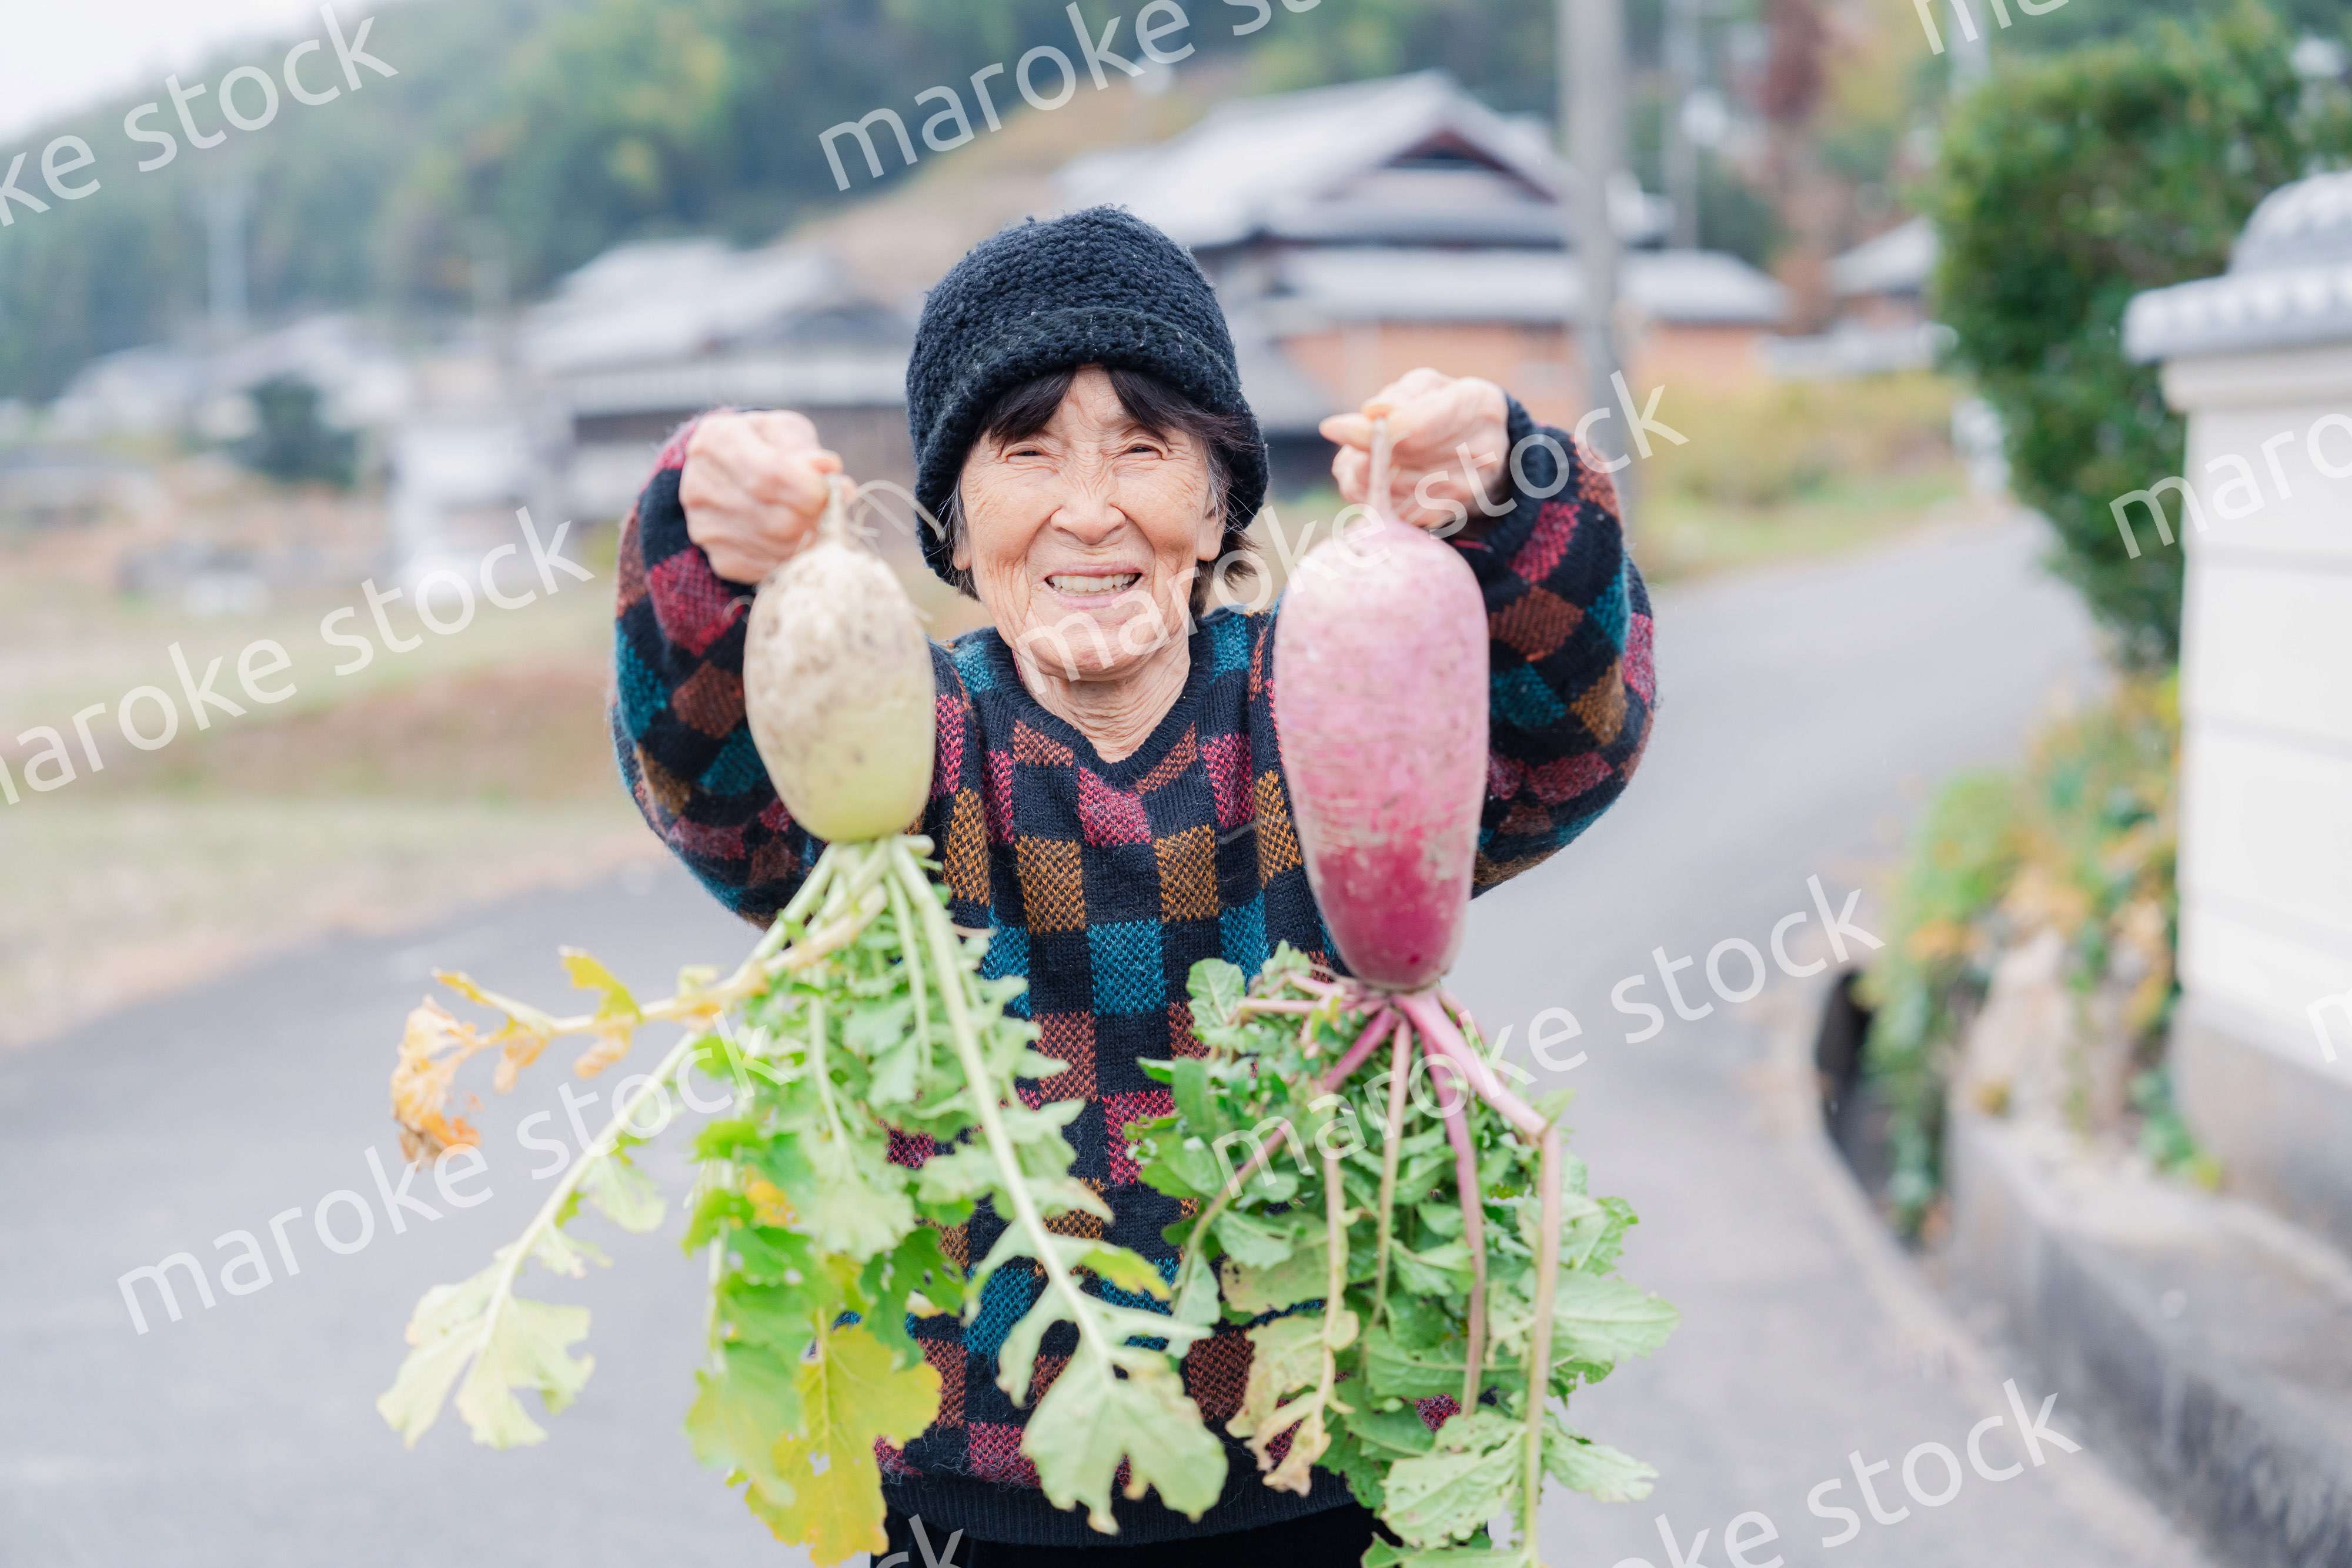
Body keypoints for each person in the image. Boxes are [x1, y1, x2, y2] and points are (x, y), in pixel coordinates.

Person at [610, 206, 1656, 1564]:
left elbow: (1568, 739)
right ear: (951, 514)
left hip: (1322, 1461)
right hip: (971, 1488)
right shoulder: (904, 731)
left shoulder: (1318, 689)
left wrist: (1513, 494)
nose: (1088, 506)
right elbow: (707, 782)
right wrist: (702, 545)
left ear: (1219, 498)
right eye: (1026, 450)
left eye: (1144, 449)